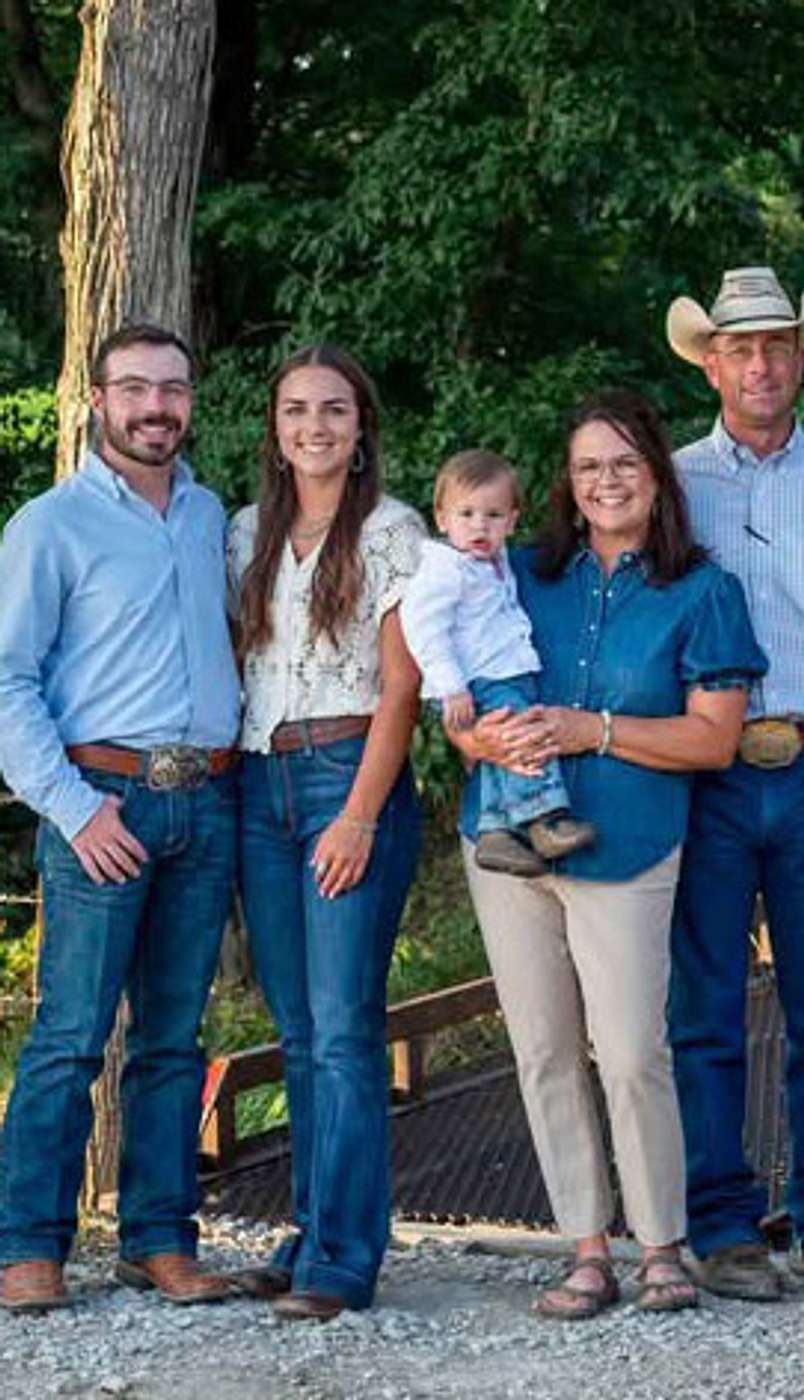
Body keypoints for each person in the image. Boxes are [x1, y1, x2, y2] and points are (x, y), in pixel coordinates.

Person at [448, 389, 765, 1319]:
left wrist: (595, 729)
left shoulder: (702, 591)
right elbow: (456, 694)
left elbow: (714, 740)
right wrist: (475, 740)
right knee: (544, 1051)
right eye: (589, 465)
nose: (607, 481)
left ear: (657, 474)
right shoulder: (516, 575)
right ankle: (586, 1249)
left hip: (628, 846)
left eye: (625, 462)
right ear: (568, 480)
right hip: (506, 849)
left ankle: (661, 1246)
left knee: (629, 1052)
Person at [0, 324, 239, 1312]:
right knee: (70, 1033)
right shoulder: (49, 525)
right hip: (103, 800)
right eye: (134, 388)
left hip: (206, 801)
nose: (155, 406)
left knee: (174, 1038)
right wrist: (72, 807)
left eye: (172, 388)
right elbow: (7, 681)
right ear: (97, 400)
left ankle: (158, 1238)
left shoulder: (209, 515)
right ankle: (27, 1244)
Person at [664, 266, 804, 1300]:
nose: (760, 364)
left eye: (777, 346)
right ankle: (721, 1225)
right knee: (704, 1005)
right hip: (705, 769)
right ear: (710, 363)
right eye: (740, 348)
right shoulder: (667, 483)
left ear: (801, 358)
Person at [227, 344, 425, 1321]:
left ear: (360, 427)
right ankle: (309, 1228)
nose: (315, 425)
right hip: (257, 782)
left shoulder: (393, 531)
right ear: (275, 427)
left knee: (345, 1025)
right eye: (297, 409)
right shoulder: (243, 533)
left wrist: (358, 814)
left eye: (334, 409)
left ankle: (346, 1255)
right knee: (299, 1028)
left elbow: (402, 687)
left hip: (346, 775)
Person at [400, 450, 593, 877]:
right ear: (442, 519)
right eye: (466, 514)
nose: (479, 526)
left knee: (497, 746)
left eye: (493, 515)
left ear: (512, 520)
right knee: (522, 732)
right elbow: (423, 627)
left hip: (504, 672)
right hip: (480, 678)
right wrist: (451, 686)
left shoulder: (494, 562)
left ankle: (495, 833)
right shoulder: (446, 570)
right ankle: (543, 817)